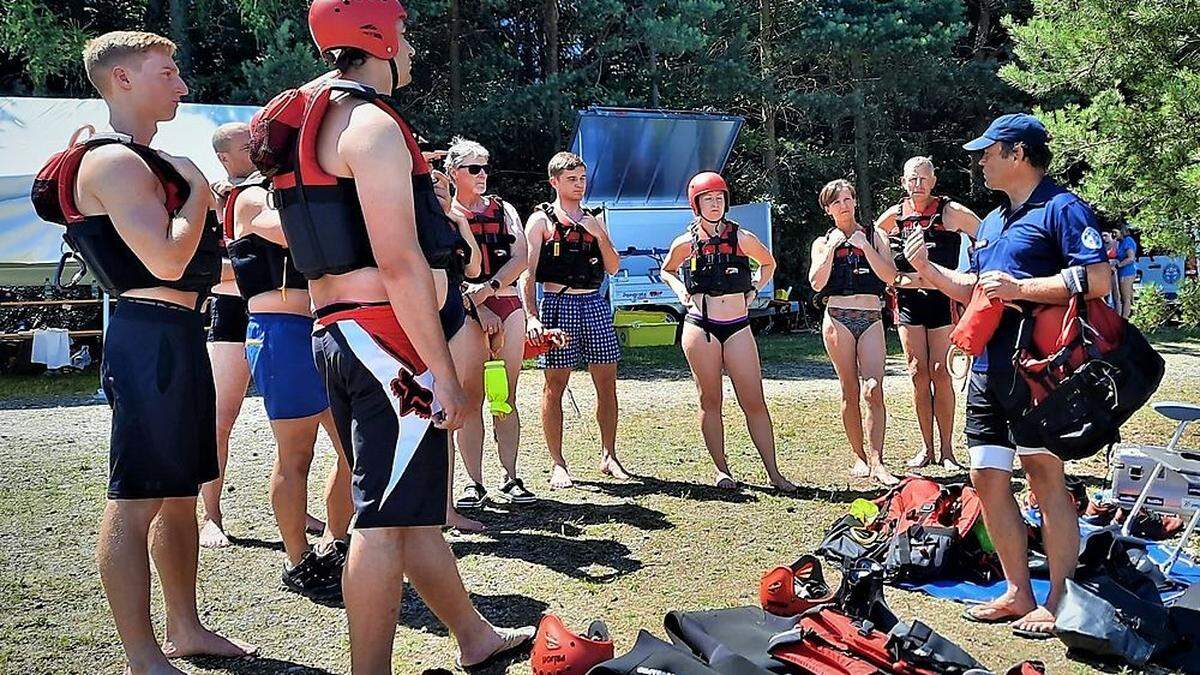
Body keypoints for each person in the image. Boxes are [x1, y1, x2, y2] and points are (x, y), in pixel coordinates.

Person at [279, 1, 534, 670]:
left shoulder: (315, 116)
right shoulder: (371, 126)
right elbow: (399, 262)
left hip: (339, 334)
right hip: (386, 344)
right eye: (405, 33)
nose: (413, 46)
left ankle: (475, 636)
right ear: (377, 36)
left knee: (413, 511)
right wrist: (442, 373)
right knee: (384, 523)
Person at [44, 30, 256, 673]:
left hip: (178, 334)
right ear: (123, 80)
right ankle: (141, 655)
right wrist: (196, 190)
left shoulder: (134, 158)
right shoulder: (112, 162)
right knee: (135, 498)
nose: (184, 86)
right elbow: (165, 255)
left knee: (180, 492)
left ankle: (184, 629)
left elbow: (191, 264)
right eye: (168, 73)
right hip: (148, 337)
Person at [906, 113, 1110, 638]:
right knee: (986, 478)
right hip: (988, 370)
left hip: (1041, 373)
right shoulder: (993, 220)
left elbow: (1097, 278)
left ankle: (1060, 598)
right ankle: (1019, 592)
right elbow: (977, 288)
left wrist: (1021, 289)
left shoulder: (1063, 209)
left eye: (988, 151)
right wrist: (927, 271)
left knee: (1045, 478)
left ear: (1017, 153)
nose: (979, 161)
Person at [224, 169, 354, 599]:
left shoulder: (300, 196)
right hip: (277, 330)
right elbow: (288, 233)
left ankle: (336, 541)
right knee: (296, 453)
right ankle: (297, 560)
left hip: (322, 328)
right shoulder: (249, 198)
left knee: (351, 448)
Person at [659, 172, 796, 493]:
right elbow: (666, 270)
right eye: (708, 199)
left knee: (754, 401)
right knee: (710, 400)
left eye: (720, 198)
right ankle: (721, 470)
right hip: (699, 326)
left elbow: (768, 264)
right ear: (696, 204)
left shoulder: (742, 238)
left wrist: (753, 291)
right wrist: (679, 289)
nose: (715, 203)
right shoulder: (685, 243)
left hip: (737, 327)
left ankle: (774, 473)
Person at [523, 151, 630, 489]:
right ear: (554, 182)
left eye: (582, 178)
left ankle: (609, 455)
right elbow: (527, 273)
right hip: (557, 304)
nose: (579, 185)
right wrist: (531, 316)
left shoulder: (594, 219)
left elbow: (613, 267)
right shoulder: (540, 221)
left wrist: (598, 233)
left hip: (594, 304)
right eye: (572, 179)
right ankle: (558, 463)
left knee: (607, 384)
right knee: (554, 386)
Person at [446, 138, 537, 510]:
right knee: (470, 399)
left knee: (505, 396)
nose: (483, 174)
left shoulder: (504, 209)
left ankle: (511, 476)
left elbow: (521, 256)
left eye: (485, 167)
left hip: (506, 300)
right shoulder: (444, 214)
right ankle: (473, 482)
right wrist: (475, 301)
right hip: (463, 308)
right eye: (474, 168)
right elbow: (441, 268)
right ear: (454, 173)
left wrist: (491, 289)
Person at [875, 156, 980, 470]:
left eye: (922, 178)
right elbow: (871, 240)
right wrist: (890, 277)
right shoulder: (895, 215)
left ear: (933, 181)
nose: (917, 184)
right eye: (911, 179)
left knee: (940, 371)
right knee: (918, 372)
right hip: (908, 302)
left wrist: (972, 277)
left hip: (941, 301)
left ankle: (948, 450)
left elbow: (987, 236)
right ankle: (926, 449)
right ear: (902, 182)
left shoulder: (949, 211)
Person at [808, 179, 899, 486]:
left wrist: (865, 247)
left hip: (871, 316)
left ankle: (878, 460)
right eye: (836, 202)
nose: (844, 206)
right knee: (849, 389)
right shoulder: (822, 242)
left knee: (873, 388)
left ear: (855, 201)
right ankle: (859, 456)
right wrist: (833, 248)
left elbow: (890, 276)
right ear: (828, 209)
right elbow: (816, 283)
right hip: (837, 318)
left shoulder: (876, 235)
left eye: (848, 199)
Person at [200, 123, 254, 549]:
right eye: (246, 145)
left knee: (302, 421)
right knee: (221, 419)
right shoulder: (208, 205)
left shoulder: (271, 193)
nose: (256, 149)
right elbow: (206, 273)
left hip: (283, 315)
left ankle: (299, 508)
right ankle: (211, 515)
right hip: (233, 316)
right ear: (225, 156)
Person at [1114, 223, 1138, 318]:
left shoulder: (1128, 241)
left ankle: (1124, 319)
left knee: (1126, 298)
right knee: (1128, 297)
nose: (1114, 234)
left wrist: (1118, 265)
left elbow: (1130, 258)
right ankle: (1133, 316)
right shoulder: (1120, 242)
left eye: (1115, 232)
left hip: (1127, 272)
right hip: (1122, 272)